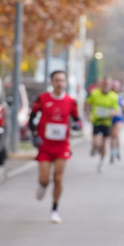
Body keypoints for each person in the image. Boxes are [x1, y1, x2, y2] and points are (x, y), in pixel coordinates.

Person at [29, 70, 80, 224]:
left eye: (62, 80)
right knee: (45, 179)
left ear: (65, 83)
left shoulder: (71, 101)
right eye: (57, 80)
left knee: (58, 177)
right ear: (51, 82)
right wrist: (35, 135)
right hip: (45, 145)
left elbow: (77, 119)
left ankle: (54, 210)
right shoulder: (42, 99)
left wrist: (77, 125)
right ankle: (42, 185)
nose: (59, 83)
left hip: (62, 145)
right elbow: (31, 118)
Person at [84, 77, 119, 172]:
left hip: (107, 122)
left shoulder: (113, 96)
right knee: (96, 141)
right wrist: (87, 114)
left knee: (104, 144)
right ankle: (95, 147)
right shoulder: (95, 93)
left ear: (111, 85)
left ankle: (101, 162)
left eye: (108, 84)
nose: (106, 86)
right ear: (101, 84)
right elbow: (86, 104)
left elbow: (117, 110)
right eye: (104, 84)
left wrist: (112, 113)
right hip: (96, 121)